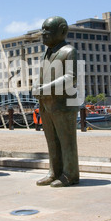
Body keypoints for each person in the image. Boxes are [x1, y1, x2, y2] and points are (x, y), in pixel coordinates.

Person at [32, 16, 79, 187]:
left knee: (67, 142)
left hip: (64, 104)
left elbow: (70, 77)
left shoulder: (69, 51)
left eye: (47, 29)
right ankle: (54, 171)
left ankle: (70, 174)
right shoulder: (47, 53)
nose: (43, 33)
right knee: (52, 141)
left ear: (62, 31)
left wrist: (43, 89)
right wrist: (37, 87)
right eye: (42, 29)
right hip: (46, 104)